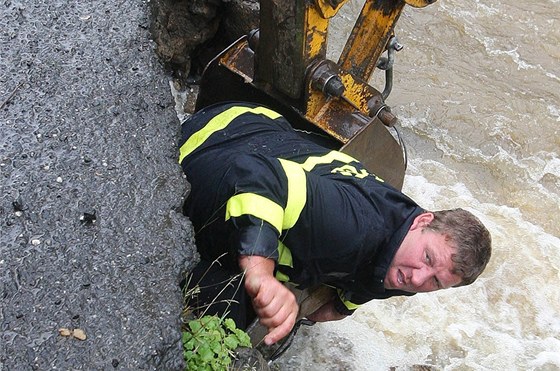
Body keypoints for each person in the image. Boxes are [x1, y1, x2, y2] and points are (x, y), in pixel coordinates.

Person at [179, 101, 492, 346]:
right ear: (423, 221)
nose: (417, 278)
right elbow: (260, 178)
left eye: (435, 283)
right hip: (209, 144)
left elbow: (377, 277)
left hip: (268, 133)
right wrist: (261, 276)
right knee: (230, 321)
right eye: (427, 258)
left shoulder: (406, 258)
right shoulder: (352, 227)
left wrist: (340, 308)